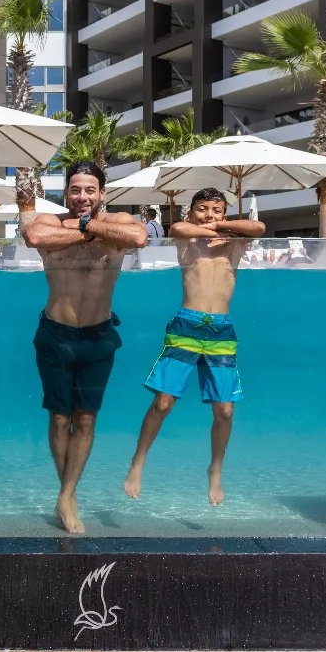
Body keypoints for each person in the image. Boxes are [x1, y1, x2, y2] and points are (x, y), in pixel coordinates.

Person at [22, 161, 148, 534]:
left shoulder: (122, 221)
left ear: (102, 193)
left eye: (89, 190)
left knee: (87, 418)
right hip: (55, 335)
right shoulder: (48, 222)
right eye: (75, 189)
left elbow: (138, 239)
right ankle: (69, 495)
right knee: (60, 417)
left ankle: (66, 493)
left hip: (99, 336)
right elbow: (35, 240)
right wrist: (91, 231)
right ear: (66, 192)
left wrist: (87, 227)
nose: (82, 197)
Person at [123, 187, 265, 506]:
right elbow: (177, 228)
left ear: (224, 214)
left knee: (225, 411)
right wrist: (211, 226)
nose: (209, 215)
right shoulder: (187, 237)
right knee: (163, 403)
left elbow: (258, 228)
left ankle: (215, 469)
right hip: (187, 324)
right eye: (202, 209)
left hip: (221, 329)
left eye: (216, 210)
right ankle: (138, 461)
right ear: (192, 212)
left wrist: (219, 227)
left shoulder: (232, 242)